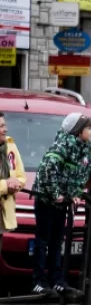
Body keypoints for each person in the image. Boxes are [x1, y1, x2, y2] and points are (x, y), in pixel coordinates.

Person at [31, 113, 91, 297]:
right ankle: (38, 281)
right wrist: (55, 193)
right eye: (88, 128)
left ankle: (57, 280)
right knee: (43, 241)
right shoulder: (62, 145)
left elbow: (81, 174)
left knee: (57, 242)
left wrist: (75, 194)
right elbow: (49, 169)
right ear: (77, 130)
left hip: (62, 202)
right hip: (46, 199)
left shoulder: (84, 149)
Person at [0, 112, 26, 261]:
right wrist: (6, 185)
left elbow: (21, 176)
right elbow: (6, 184)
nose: (5, 129)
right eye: (1, 126)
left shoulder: (10, 146)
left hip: (3, 214)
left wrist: (16, 183)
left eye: (5, 125)